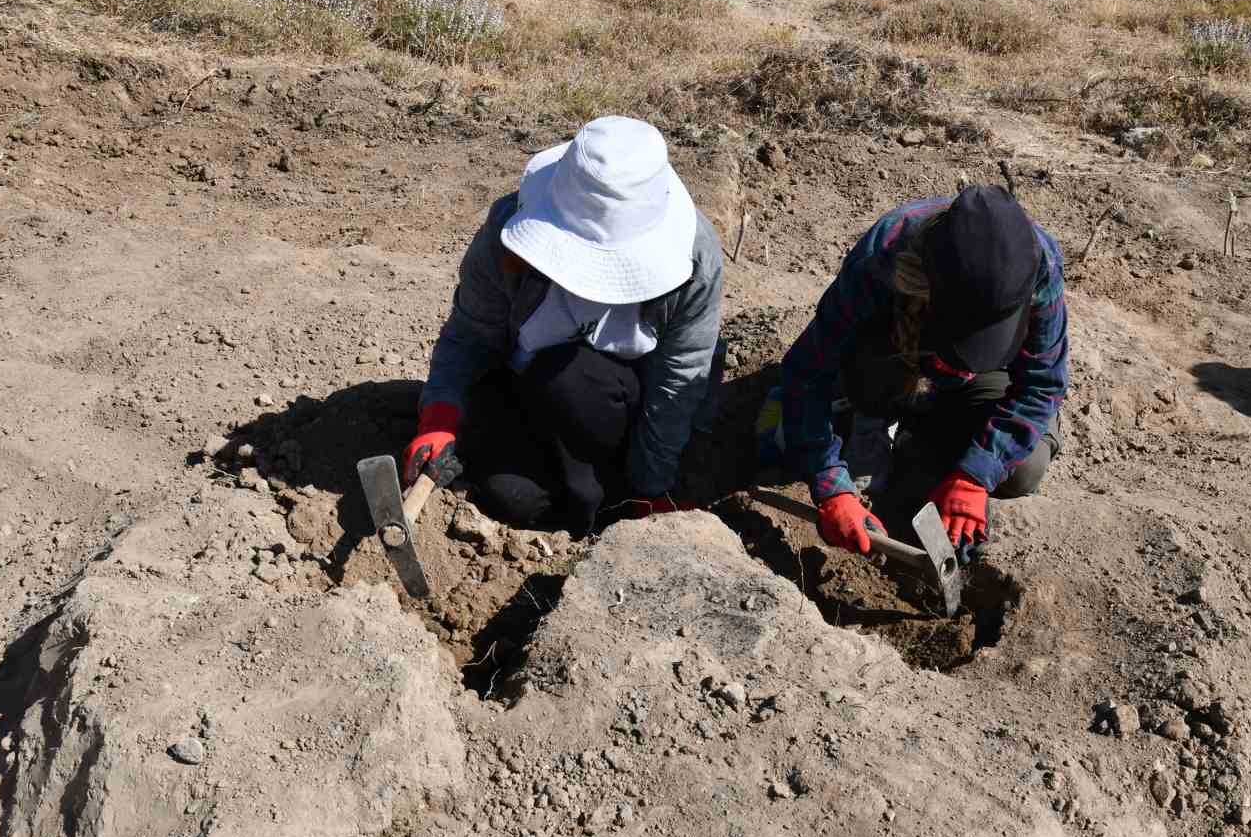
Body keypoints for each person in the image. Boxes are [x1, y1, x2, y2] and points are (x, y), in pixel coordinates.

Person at [403, 116, 724, 536]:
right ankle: (585, 506)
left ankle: (606, 491)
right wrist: (440, 413)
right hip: (527, 395)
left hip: (624, 409)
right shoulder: (506, 230)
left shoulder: (693, 258)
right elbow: (470, 333)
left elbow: (677, 380)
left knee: (573, 378)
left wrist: (650, 484)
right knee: (511, 498)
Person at [775, 183, 1067, 563]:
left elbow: (1042, 385)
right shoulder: (886, 253)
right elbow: (808, 371)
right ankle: (872, 425)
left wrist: (975, 477)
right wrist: (830, 486)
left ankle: (926, 443)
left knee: (1024, 470)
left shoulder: (1039, 264)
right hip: (897, 355)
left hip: (979, 379)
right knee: (864, 375)